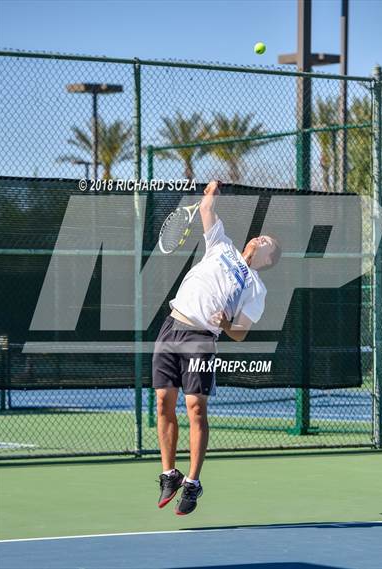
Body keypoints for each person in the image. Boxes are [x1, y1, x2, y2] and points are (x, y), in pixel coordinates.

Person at [153, 180, 281, 515]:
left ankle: (192, 484)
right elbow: (207, 209)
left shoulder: (256, 287)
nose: (261, 238)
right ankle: (169, 474)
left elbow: (240, 333)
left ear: (268, 260)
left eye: (268, 243)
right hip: (172, 326)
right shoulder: (221, 245)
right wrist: (211, 191)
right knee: (163, 402)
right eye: (262, 235)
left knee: (195, 408)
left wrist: (225, 323)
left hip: (202, 338)